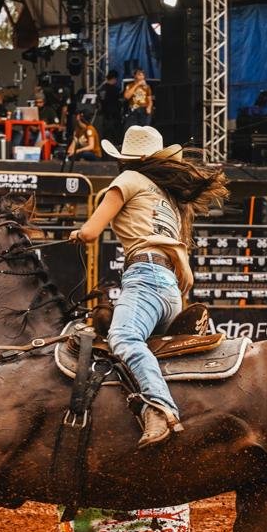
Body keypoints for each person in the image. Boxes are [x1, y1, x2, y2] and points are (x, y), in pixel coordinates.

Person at [69, 125, 229, 447]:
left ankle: (160, 408)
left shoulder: (127, 180)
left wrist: (78, 233)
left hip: (145, 277)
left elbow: (90, 232)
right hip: (172, 288)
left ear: (128, 157)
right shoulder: (171, 198)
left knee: (123, 337)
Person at [96, 69, 124, 144]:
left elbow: (99, 101)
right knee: (116, 138)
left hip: (105, 116)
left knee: (106, 137)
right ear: (114, 78)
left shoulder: (101, 89)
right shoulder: (115, 90)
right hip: (114, 116)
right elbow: (121, 100)